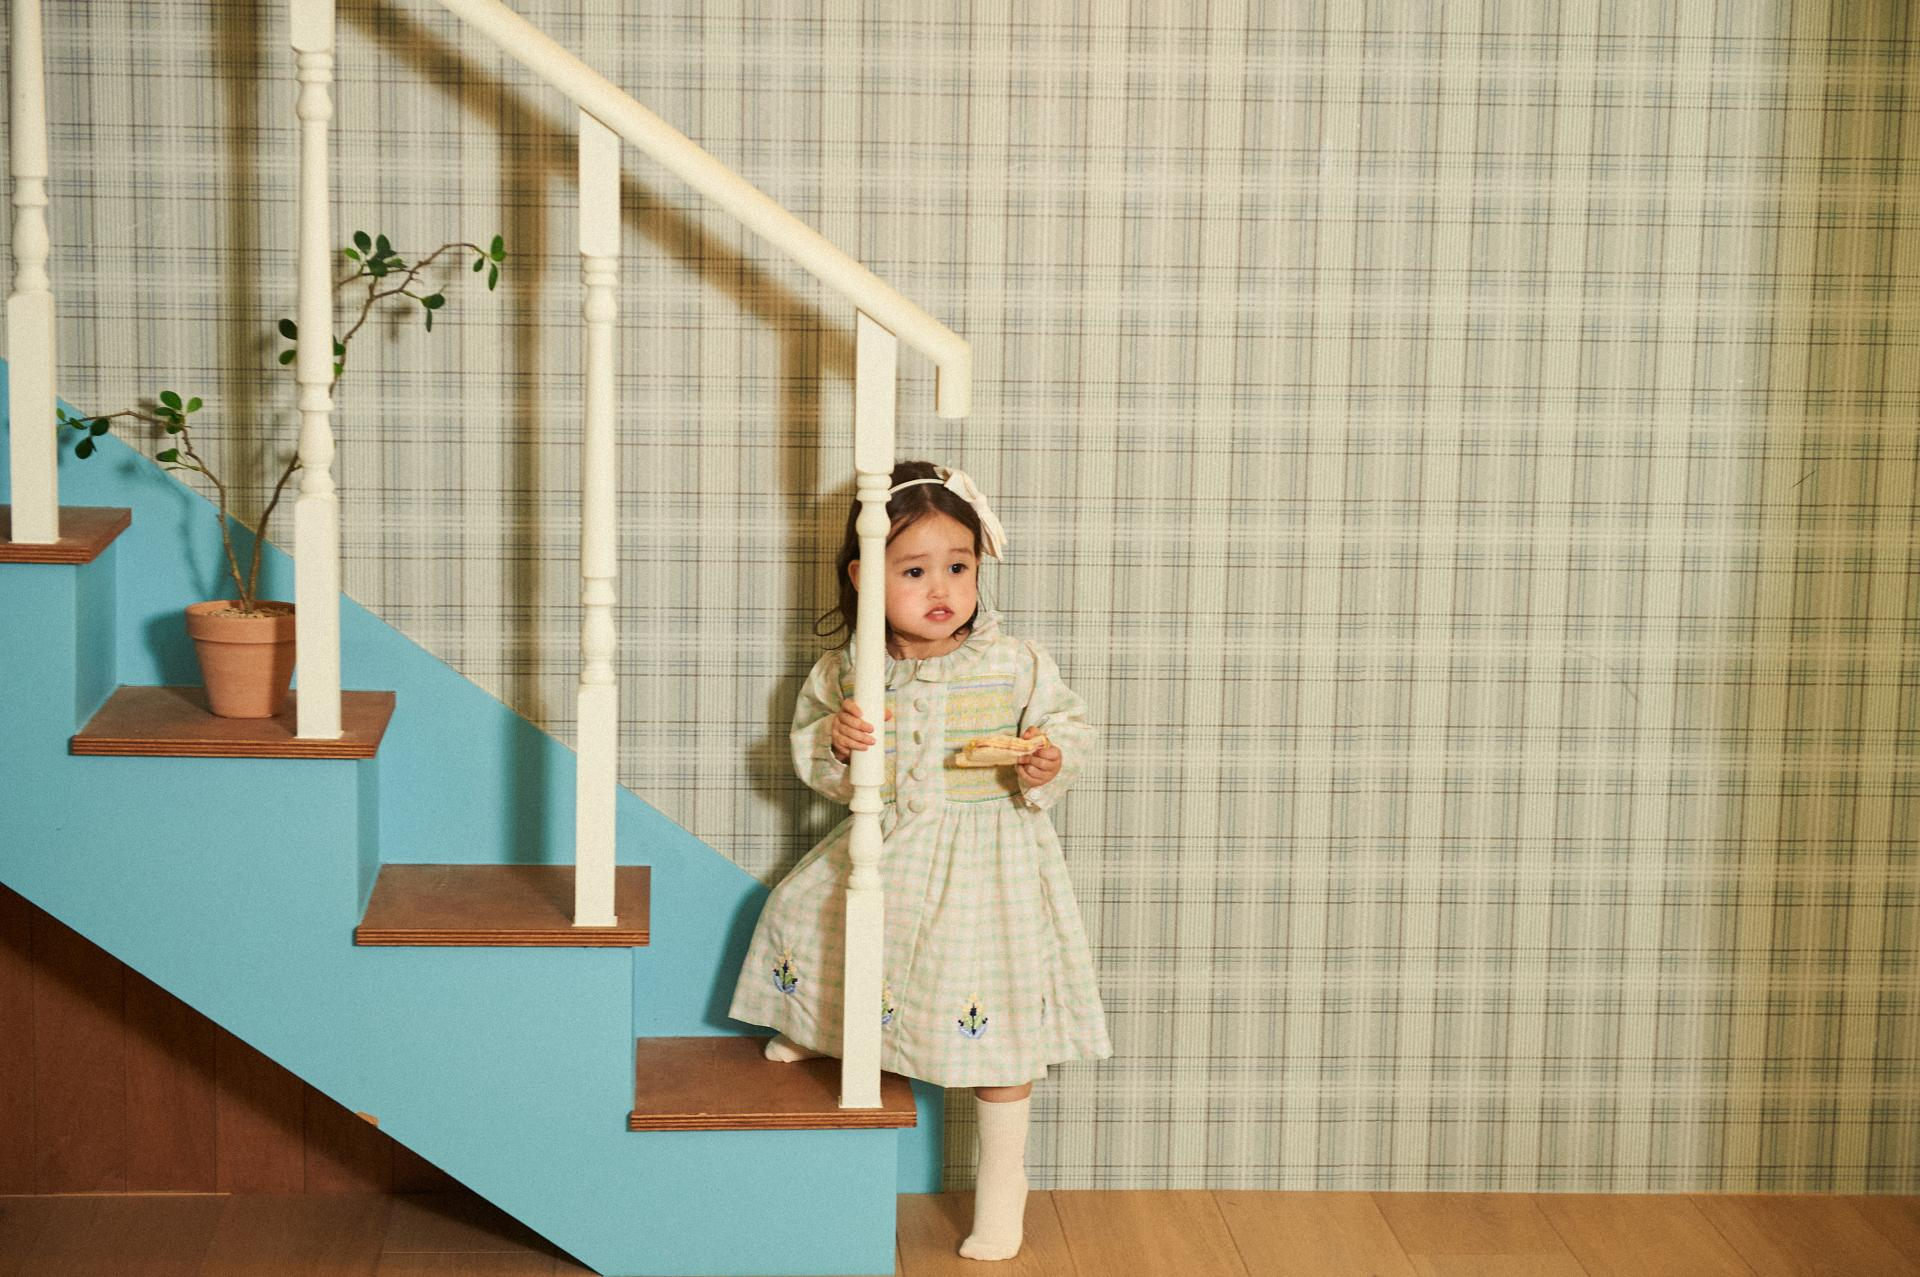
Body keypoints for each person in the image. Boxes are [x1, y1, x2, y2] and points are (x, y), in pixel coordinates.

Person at [728, 460, 1111, 1261]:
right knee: (820, 914)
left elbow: (1068, 727)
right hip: (895, 842)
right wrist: (838, 744)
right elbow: (815, 754)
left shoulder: (1014, 660)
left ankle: (1003, 1183)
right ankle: (821, 1023)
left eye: (959, 567)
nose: (942, 587)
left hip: (989, 859)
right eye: (914, 571)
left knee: (995, 1016)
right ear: (864, 576)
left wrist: (1046, 756)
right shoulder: (851, 669)